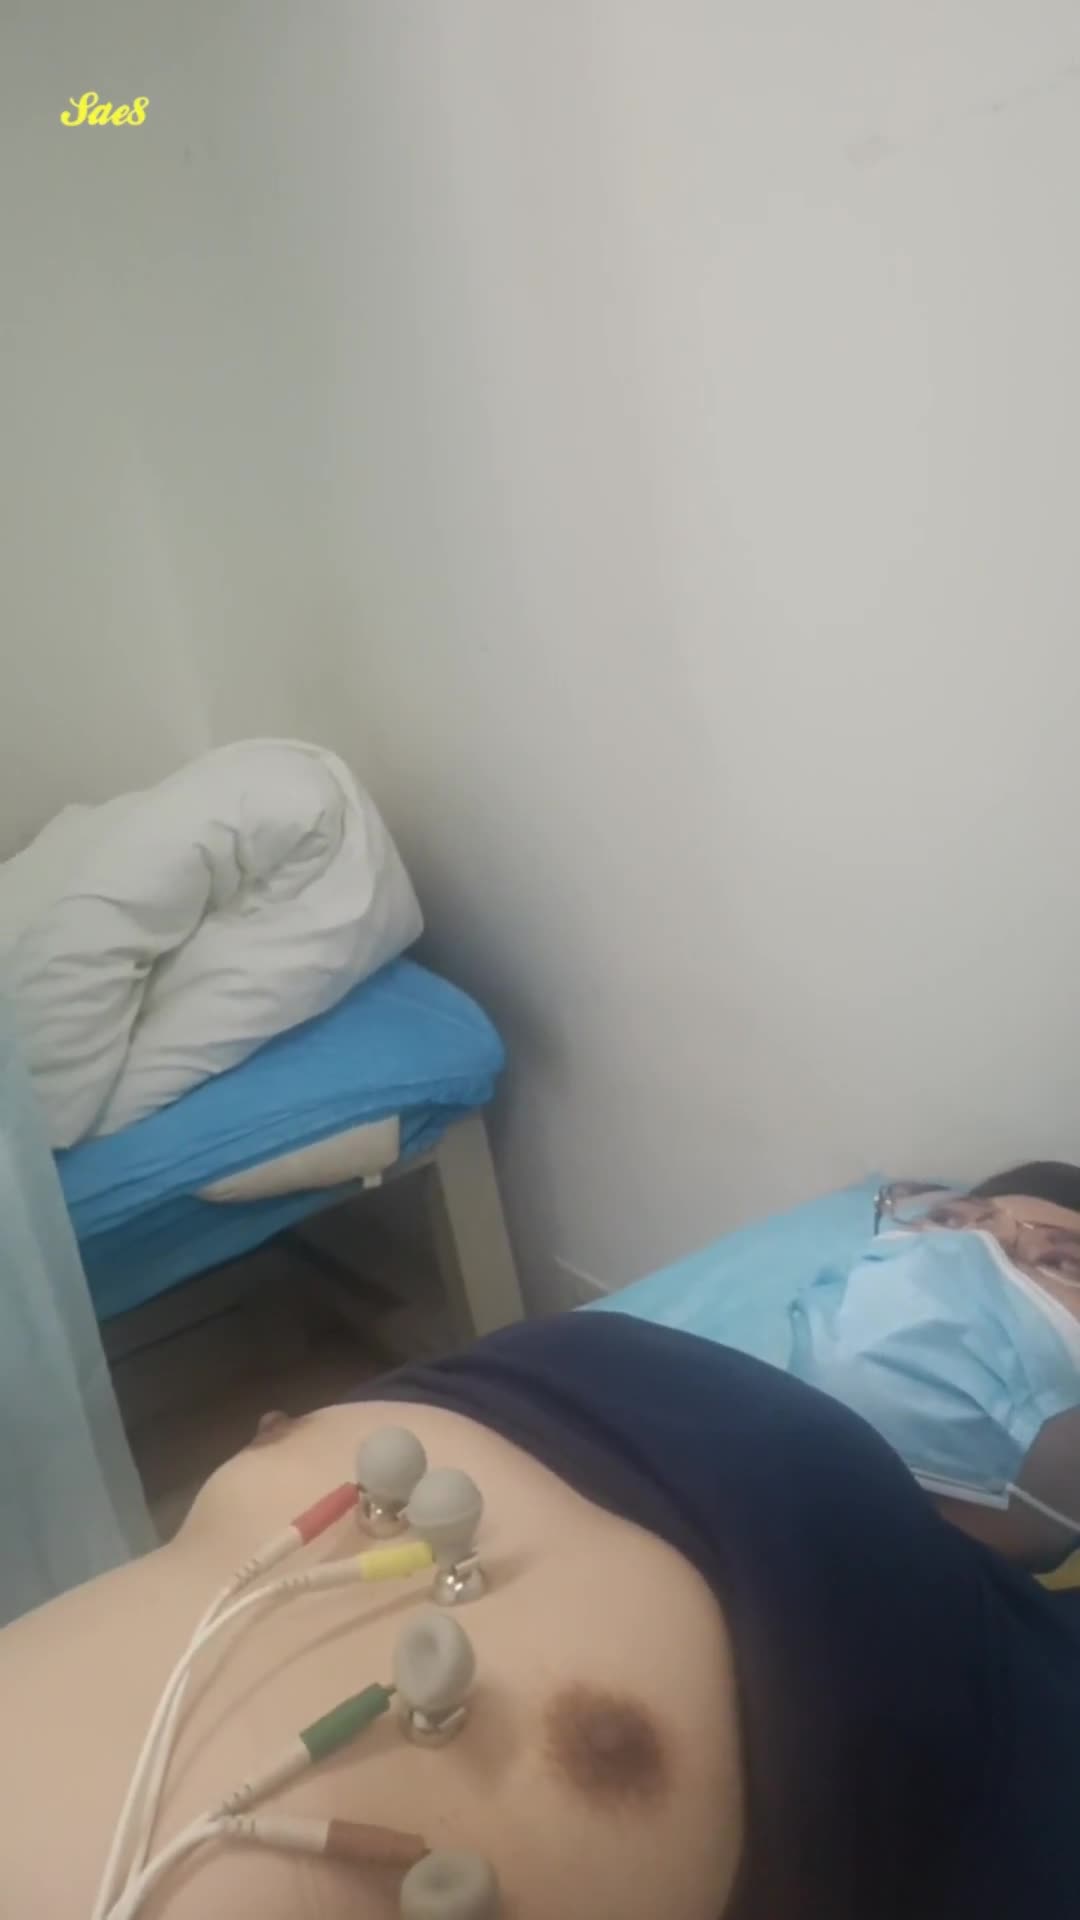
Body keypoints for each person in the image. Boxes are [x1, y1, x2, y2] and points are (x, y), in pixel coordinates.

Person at [3, 1174, 1080, 1919]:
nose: (985, 1249)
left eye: (1066, 1258)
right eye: (960, 1220)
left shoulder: (998, 1668)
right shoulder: (644, 1356)